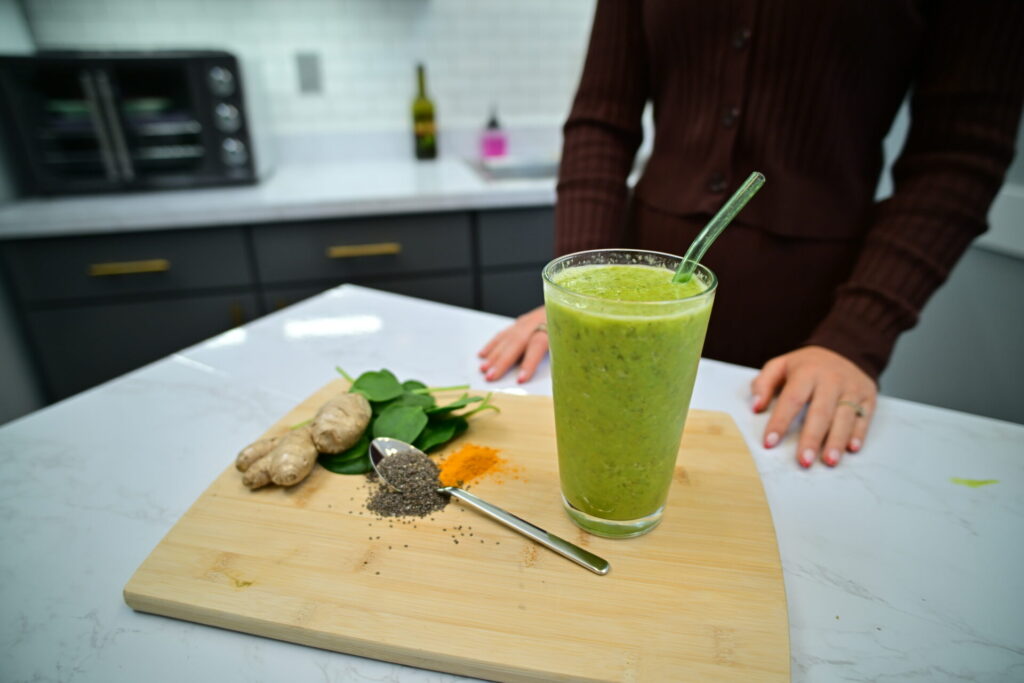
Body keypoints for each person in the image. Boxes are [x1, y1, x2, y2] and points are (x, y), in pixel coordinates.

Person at [477, 1, 1024, 468]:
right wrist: (580, 286)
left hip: (810, 321)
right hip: (631, 294)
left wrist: (856, 335)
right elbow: (602, 118)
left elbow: (959, 153)